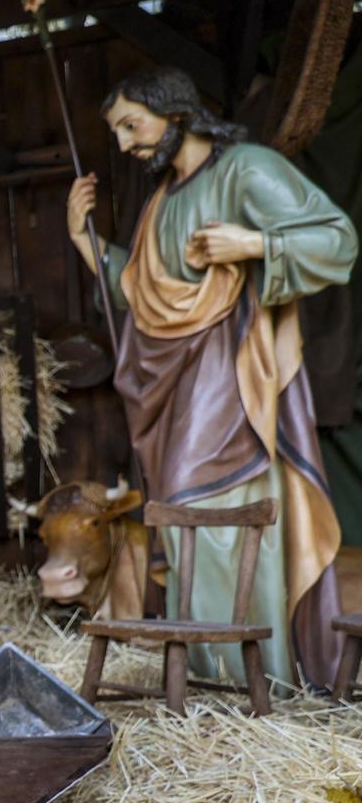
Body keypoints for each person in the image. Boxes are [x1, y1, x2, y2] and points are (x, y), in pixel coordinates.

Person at [68, 63, 357, 686]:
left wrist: (253, 245)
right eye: (117, 131)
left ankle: (257, 677)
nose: (124, 144)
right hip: (179, 392)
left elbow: (337, 241)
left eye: (131, 125)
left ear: (174, 111)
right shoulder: (160, 202)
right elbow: (144, 295)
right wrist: (81, 239)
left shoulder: (245, 169)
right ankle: (207, 677)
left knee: (219, 510)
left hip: (236, 382)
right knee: (184, 514)